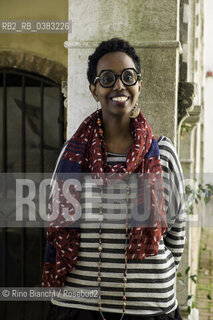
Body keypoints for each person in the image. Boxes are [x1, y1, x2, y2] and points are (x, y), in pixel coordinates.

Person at [42, 38, 185, 320]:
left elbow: (175, 237)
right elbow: (57, 225)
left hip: (149, 308)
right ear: (94, 89)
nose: (119, 86)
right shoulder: (72, 154)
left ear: (139, 85)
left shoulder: (163, 154)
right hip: (78, 306)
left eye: (128, 77)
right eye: (107, 78)